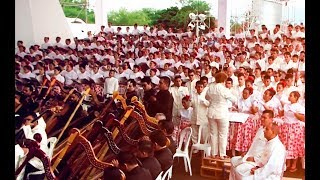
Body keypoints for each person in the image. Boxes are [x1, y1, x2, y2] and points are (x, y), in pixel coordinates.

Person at [229, 110, 275, 178]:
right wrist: (247, 152)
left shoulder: (271, 133)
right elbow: (254, 145)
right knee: (233, 160)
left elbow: (268, 152)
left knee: (239, 169)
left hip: (258, 161)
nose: (262, 119)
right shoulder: (260, 129)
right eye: (262, 117)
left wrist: (255, 159)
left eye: (265, 118)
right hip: (250, 155)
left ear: (271, 119)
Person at [205, 72, 237, 159]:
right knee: (222, 134)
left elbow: (206, 97)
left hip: (211, 112)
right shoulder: (224, 89)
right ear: (224, 80)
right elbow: (234, 100)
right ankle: (222, 154)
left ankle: (214, 153)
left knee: (213, 134)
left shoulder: (211, 88)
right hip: (222, 113)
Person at [278, 91, 305, 172]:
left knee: (294, 146)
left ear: (296, 98)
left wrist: (295, 113)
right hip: (286, 127)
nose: (289, 97)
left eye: (291, 96)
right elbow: (281, 114)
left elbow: (302, 118)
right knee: (286, 145)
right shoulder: (286, 105)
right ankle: (287, 163)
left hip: (295, 128)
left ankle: (294, 164)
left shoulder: (299, 107)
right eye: (289, 95)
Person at [190, 80, 209, 149]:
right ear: (196, 87)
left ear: (203, 88)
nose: (200, 88)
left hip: (203, 117)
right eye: (198, 87)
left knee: (203, 134)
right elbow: (191, 105)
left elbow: (209, 104)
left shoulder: (206, 95)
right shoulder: (193, 94)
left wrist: (204, 101)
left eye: (201, 87)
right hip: (195, 116)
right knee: (194, 134)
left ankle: (204, 148)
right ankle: (195, 148)